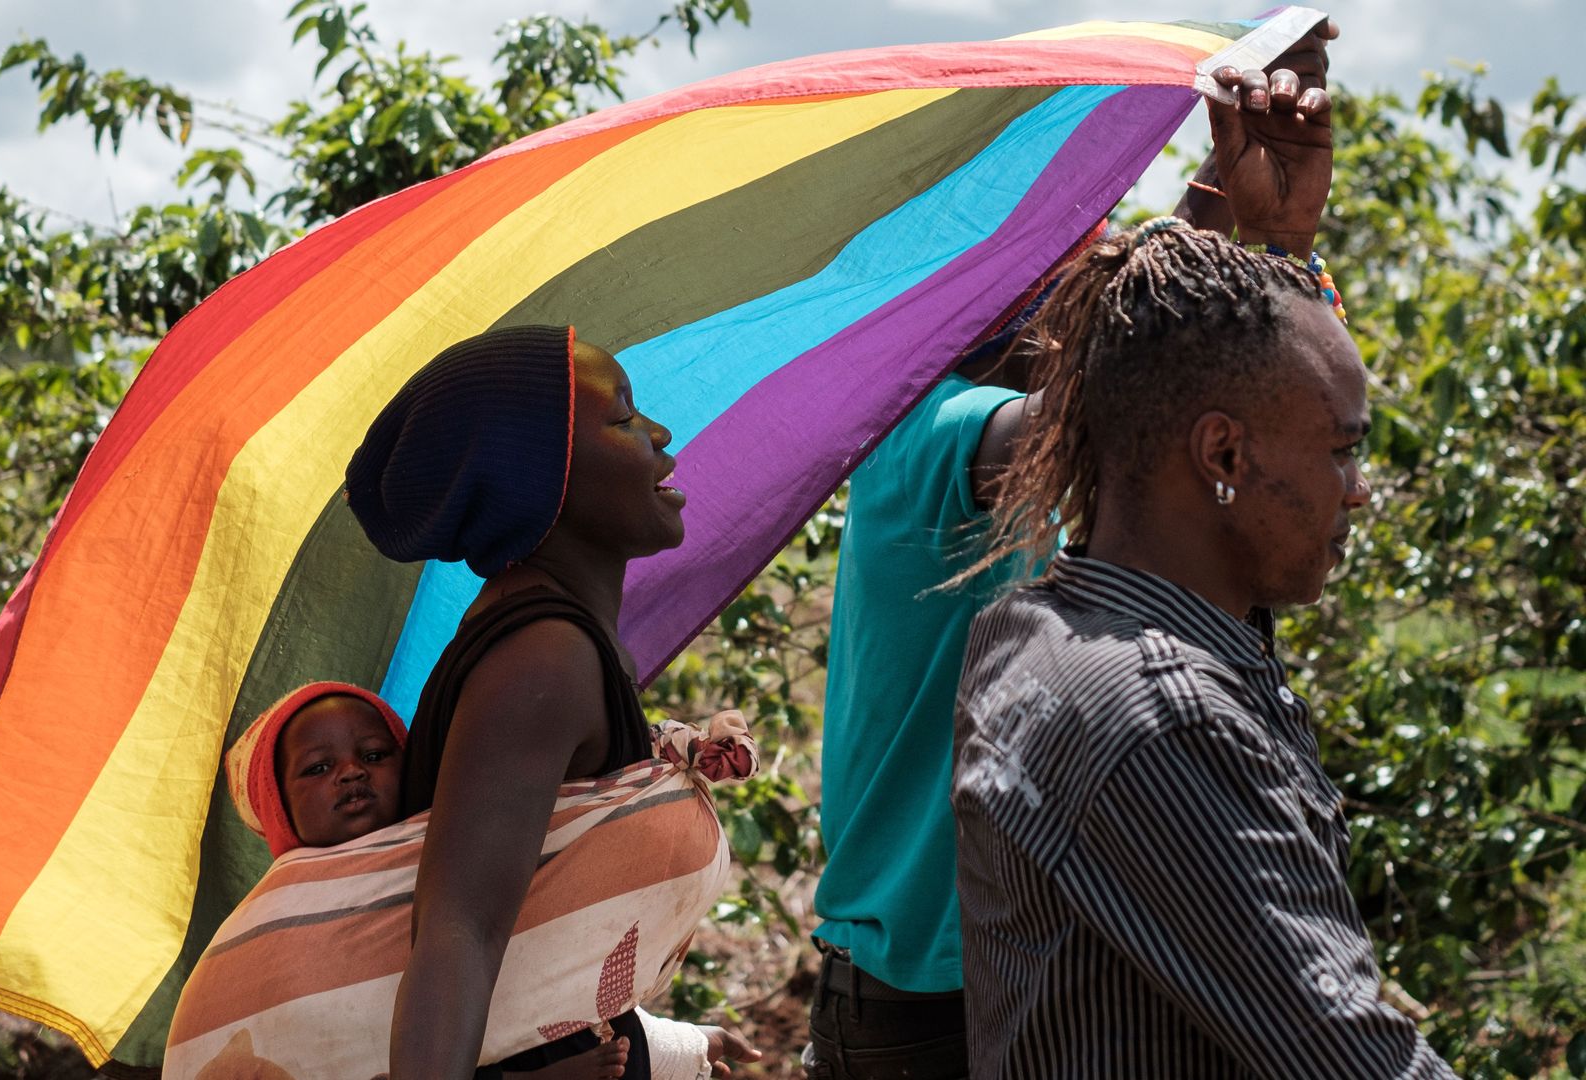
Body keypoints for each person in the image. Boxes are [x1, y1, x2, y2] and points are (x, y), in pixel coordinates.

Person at [805, 22, 1343, 1079]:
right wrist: (1260, 241)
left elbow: (1133, 362)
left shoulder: (1043, 410)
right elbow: (1112, 407)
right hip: (921, 1006)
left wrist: (1254, 212)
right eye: (1071, 261)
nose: (1090, 273)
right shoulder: (927, 436)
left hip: (1038, 963)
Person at [947, 208, 1457, 1080]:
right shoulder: (1161, 717)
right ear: (1223, 454)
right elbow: (1357, 1063)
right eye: (1342, 450)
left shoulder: (1033, 627)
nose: (1360, 491)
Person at [343, 325, 765, 1080]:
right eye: (624, 417)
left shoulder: (555, 642)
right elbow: (457, 938)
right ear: (543, 479)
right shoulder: (543, 658)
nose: (661, 434)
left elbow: (537, 941)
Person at [202, 680, 757, 1080]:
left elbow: (545, 982)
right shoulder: (273, 937)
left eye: (375, 754)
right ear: (279, 808)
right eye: (318, 768)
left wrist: (685, 1047)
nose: (352, 771)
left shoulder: (460, 851)